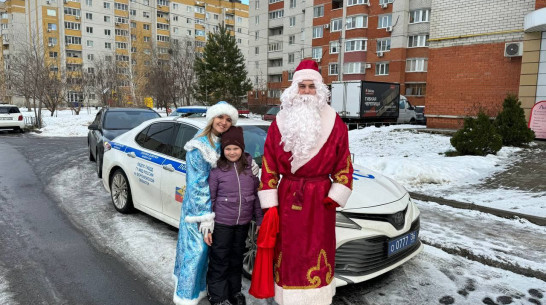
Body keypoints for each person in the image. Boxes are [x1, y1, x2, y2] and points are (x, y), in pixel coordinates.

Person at [252, 59, 354, 305]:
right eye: (302, 86)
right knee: (289, 251)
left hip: (320, 200)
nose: (307, 92)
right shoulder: (280, 122)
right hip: (288, 196)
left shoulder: (335, 122)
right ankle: (287, 298)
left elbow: (344, 161)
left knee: (317, 249)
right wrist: (270, 203)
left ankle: (317, 298)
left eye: (311, 86)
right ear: (293, 89)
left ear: (319, 90)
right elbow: (269, 164)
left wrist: (336, 192)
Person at [172, 101, 239, 305]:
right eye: (220, 117)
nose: (224, 122)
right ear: (212, 118)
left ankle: (201, 290)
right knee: (197, 251)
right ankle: (185, 297)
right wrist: (205, 219)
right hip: (198, 209)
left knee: (211, 253)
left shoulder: (223, 141)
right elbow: (196, 185)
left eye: (228, 119)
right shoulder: (199, 145)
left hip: (218, 207)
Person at [206, 126, 264, 305]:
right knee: (220, 259)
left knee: (236, 259)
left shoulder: (250, 170)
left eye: (236, 148)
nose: (232, 152)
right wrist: (207, 225)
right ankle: (217, 295)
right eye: (228, 149)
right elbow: (210, 198)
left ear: (242, 148)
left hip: (243, 223)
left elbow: (255, 197)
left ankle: (235, 291)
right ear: (223, 150)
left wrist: (260, 221)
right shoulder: (217, 171)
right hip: (222, 223)